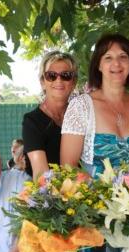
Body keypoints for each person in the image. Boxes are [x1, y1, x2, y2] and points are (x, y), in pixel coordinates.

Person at [60, 33, 129, 252]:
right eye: (108, 57)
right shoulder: (81, 106)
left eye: (123, 57)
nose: (116, 64)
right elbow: (68, 167)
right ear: (98, 64)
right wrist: (102, 201)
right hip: (95, 218)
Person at [22, 51, 78, 179]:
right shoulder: (32, 121)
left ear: (73, 82)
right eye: (51, 75)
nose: (58, 80)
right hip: (49, 195)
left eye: (66, 75)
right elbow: (41, 175)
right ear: (42, 81)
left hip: (85, 191)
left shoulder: (81, 116)